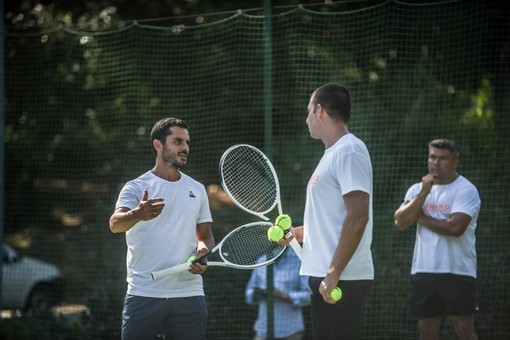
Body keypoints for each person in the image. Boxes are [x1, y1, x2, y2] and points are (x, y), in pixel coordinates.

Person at [280, 83, 374, 339]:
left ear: (320, 110)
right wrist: (295, 233)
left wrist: (334, 273)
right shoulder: (332, 154)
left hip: (340, 278)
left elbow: (358, 216)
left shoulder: (349, 150)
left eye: (309, 111)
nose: (306, 118)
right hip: (326, 278)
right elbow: (331, 223)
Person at [109, 117, 215, 340]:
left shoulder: (197, 189)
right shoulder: (136, 187)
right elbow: (115, 224)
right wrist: (138, 214)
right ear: (158, 145)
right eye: (178, 141)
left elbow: (204, 236)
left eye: (187, 142)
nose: (185, 147)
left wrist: (202, 255)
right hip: (144, 293)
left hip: (189, 293)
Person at [394, 138, 481, 340]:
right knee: (426, 328)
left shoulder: (466, 190)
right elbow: (400, 221)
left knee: (463, 327)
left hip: (458, 270)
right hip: (424, 269)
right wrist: (424, 193)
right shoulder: (417, 190)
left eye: (443, 158)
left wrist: (421, 217)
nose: (436, 162)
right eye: (433, 157)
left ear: (455, 162)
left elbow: (455, 227)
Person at [245, 249, 311, 340]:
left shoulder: (299, 260)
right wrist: (259, 292)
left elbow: (308, 296)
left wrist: (284, 296)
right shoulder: (261, 261)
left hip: (291, 332)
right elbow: (248, 294)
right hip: (263, 330)